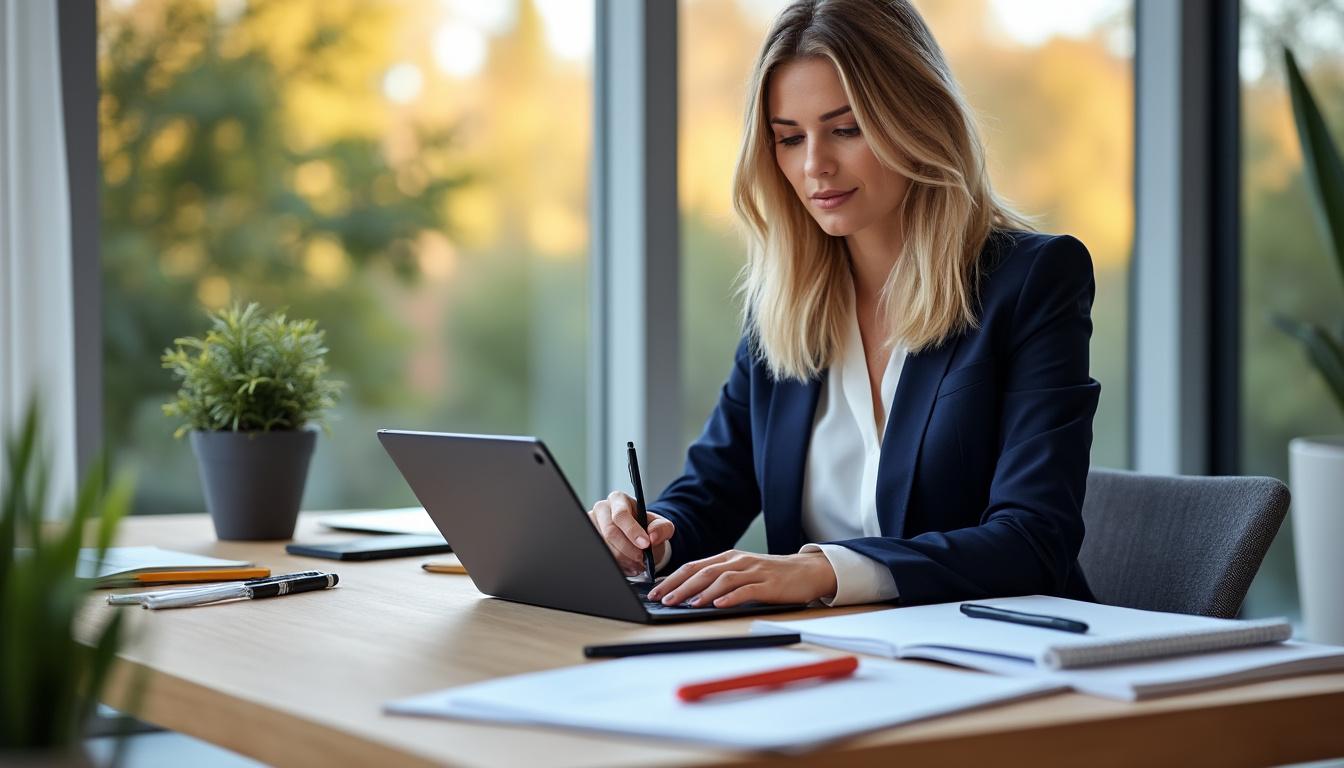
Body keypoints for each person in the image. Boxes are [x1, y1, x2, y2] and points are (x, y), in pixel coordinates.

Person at [588, 0, 1100, 610]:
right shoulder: (784, 304)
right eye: (788, 138)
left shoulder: (1032, 280)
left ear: (917, 117)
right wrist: (647, 534)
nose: (814, 166)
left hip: (996, 664)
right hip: (823, 668)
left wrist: (825, 572)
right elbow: (711, 492)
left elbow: (1032, 541)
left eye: (847, 128)